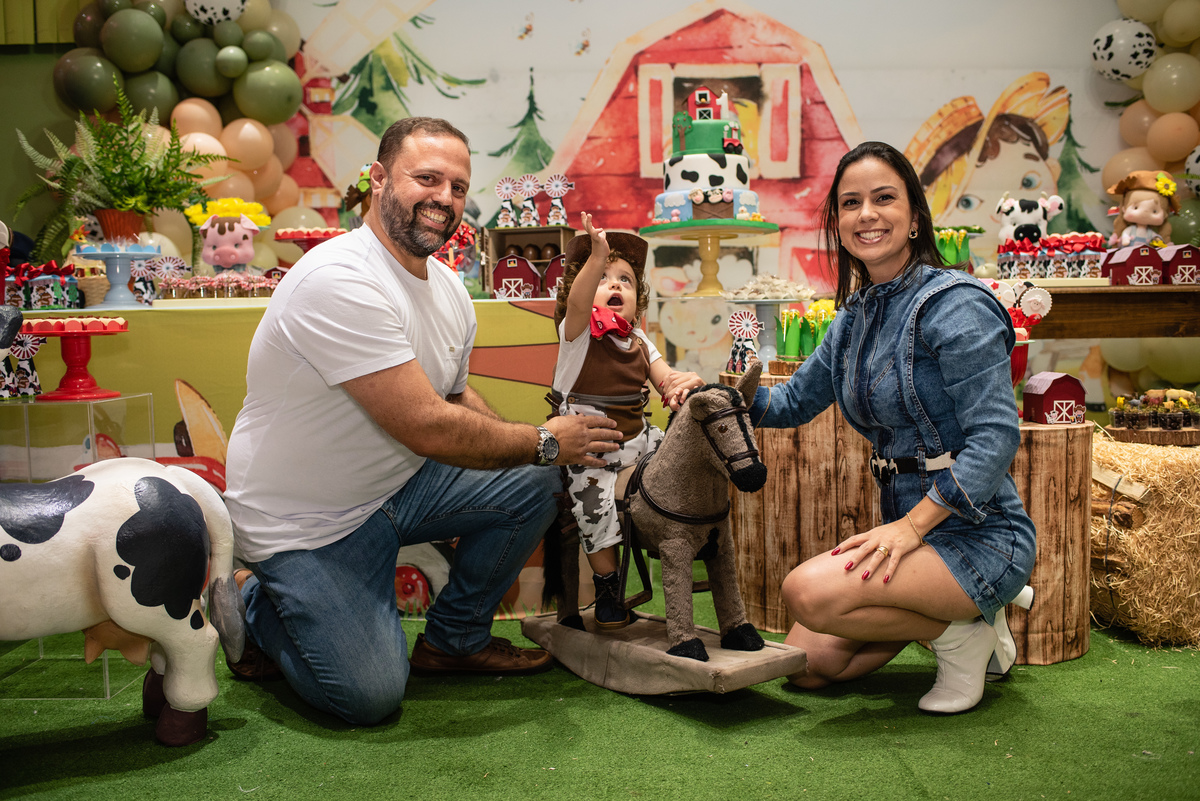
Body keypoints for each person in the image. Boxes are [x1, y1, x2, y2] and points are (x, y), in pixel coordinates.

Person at [222, 117, 623, 726]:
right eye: (427, 178)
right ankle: (255, 602)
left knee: (535, 482)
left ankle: (454, 640)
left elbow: (456, 399)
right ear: (379, 179)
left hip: (395, 489)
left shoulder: (446, 287)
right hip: (306, 522)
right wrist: (544, 440)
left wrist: (542, 453)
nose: (445, 199)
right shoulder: (340, 279)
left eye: (458, 187)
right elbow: (427, 427)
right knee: (369, 697)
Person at [750, 141, 1036, 714]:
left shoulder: (956, 303)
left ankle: (962, 631)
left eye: (884, 198)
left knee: (805, 592)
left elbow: (997, 437)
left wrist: (911, 527)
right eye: (851, 203)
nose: (866, 214)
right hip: (908, 537)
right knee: (812, 666)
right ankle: (962, 617)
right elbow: (790, 404)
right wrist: (716, 394)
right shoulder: (856, 315)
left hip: (978, 532)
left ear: (915, 217)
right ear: (837, 221)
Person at [550, 212, 704, 628]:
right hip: (591, 449)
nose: (615, 284)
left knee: (682, 454)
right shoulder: (577, 332)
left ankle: (690, 542)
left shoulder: (638, 340)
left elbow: (663, 376)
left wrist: (678, 384)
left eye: (626, 280)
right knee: (591, 499)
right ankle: (607, 585)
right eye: (604, 277)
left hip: (637, 439)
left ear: (638, 299)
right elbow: (582, 300)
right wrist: (596, 256)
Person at [903, 72, 1069, 264]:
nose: (996, 211)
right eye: (967, 202)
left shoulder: (1047, 246)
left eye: (1028, 181)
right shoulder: (954, 268)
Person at [1108, 170, 1177, 248]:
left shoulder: (1150, 233)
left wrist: (1159, 241)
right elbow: (1125, 235)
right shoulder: (1130, 230)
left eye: (1155, 211)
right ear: (1124, 209)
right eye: (1136, 208)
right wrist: (1125, 238)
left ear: (1165, 215)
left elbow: (1156, 239)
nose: (1144, 213)